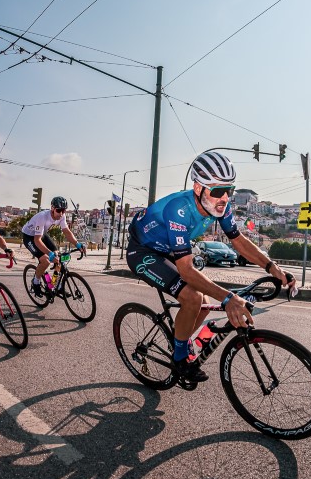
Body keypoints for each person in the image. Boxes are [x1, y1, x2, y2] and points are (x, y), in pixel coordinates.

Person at [126, 152, 298, 384]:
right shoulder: (179, 209)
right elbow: (187, 271)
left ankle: (180, 340)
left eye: (230, 190)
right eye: (218, 191)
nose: (225, 198)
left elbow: (238, 241)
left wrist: (272, 267)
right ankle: (180, 358)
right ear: (198, 188)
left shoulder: (220, 207)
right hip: (143, 251)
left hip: (167, 249)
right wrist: (229, 298)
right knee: (193, 297)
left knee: (205, 305)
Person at [22, 196, 85, 298]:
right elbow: (37, 240)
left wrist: (77, 244)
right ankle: (36, 282)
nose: (61, 213)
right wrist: (49, 253)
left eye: (63, 211)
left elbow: (67, 232)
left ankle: (55, 285)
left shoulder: (62, 216)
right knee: (46, 260)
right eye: (58, 210)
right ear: (52, 208)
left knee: (58, 257)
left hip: (41, 234)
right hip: (29, 237)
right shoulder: (42, 217)